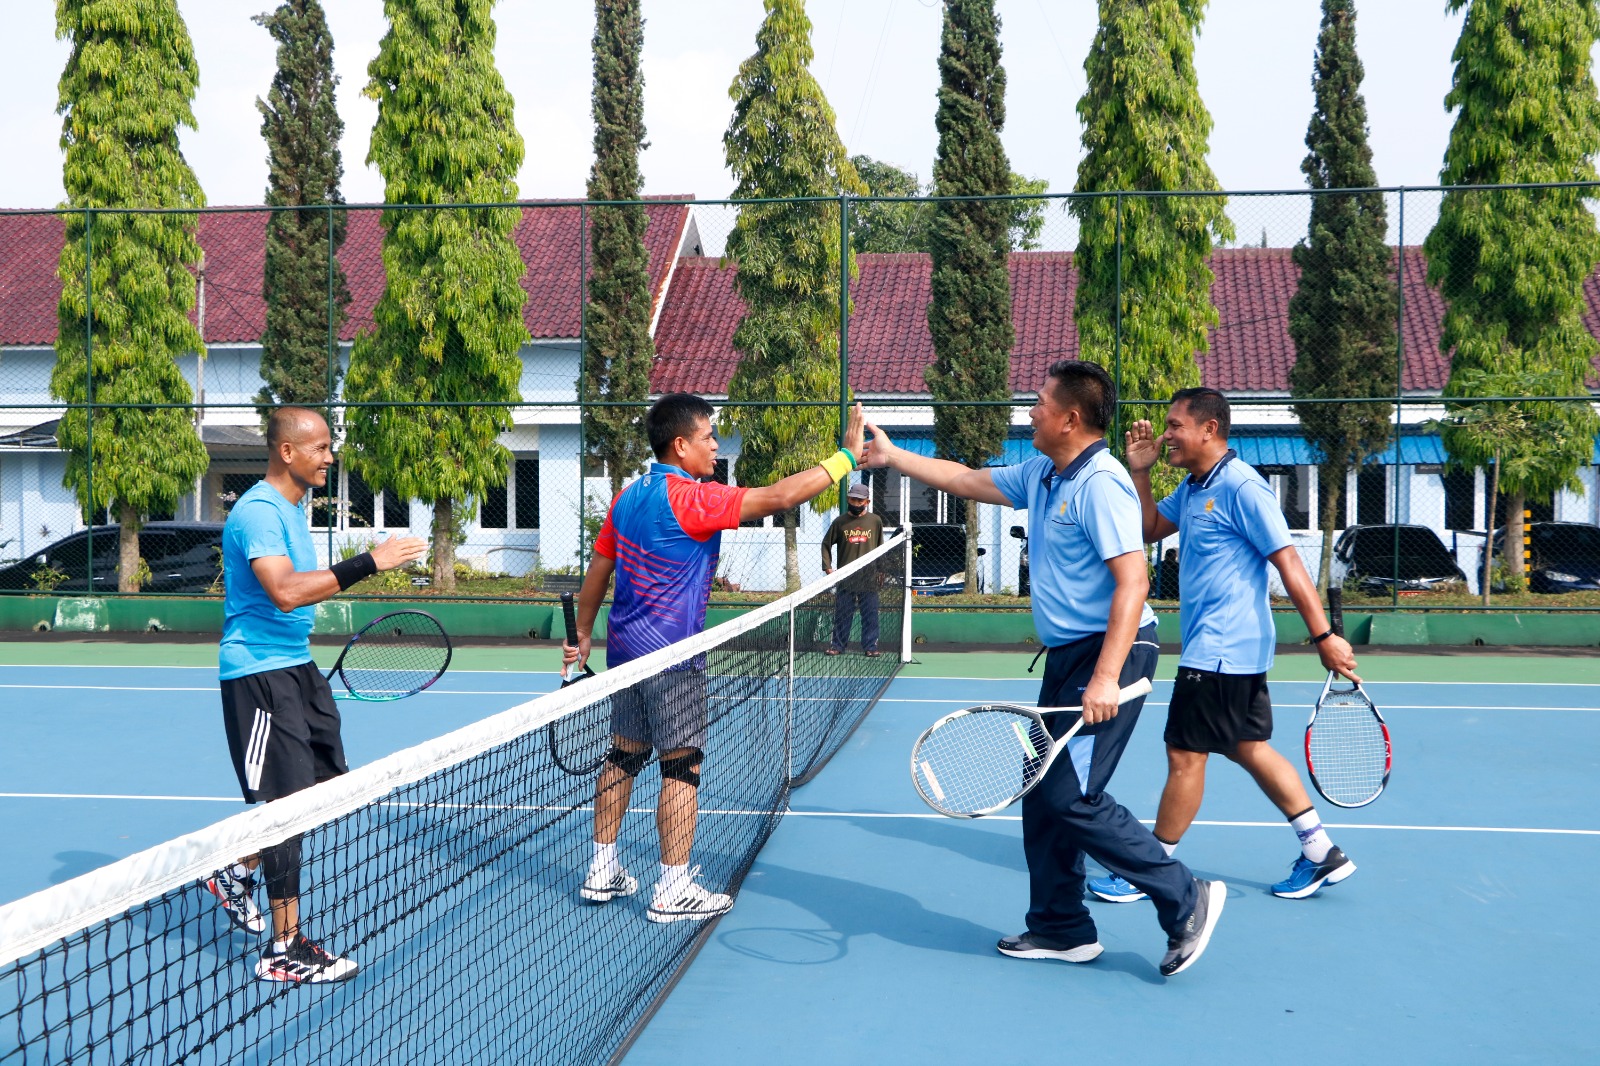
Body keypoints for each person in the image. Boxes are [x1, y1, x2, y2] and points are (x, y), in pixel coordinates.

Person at [863, 360, 1225, 978]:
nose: (1029, 412)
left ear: (1070, 418)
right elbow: (966, 478)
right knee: (1042, 794)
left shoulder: (1102, 484)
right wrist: (894, 457)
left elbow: (1133, 582)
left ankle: (1185, 896)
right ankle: (1062, 928)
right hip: (1067, 657)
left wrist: (1106, 677)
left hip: (1113, 653)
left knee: (1072, 796)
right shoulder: (1043, 473)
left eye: (1039, 402)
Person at [566, 393, 867, 922]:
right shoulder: (693, 498)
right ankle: (672, 888)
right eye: (708, 437)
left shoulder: (627, 498)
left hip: (625, 653)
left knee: (623, 756)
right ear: (681, 445)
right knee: (682, 766)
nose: (714, 445)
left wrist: (584, 633)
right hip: (674, 658)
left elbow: (597, 573)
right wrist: (845, 458)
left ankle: (601, 869)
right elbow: (779, 497)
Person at [1088, 387, 1362, 907]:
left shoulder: (1242, 487)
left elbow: (1288, 562)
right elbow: (1149, 528)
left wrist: (1324, 637)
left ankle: (1151, 869)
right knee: (1247, 747)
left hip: (1220, 649)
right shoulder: (1195, 486)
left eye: (1175, 426)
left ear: (1209, 429)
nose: (1166, 435)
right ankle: (1321, 850)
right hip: (1225, 650)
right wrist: (1140, 472)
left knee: (1184, 755)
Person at [206, 406, 426, 983]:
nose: (330, 457)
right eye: (321, 447)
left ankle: (236, 870)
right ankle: (284, 949)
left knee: (325, 786)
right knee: (285, 807)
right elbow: (284, 592)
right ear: (287, 452)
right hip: (258, 672)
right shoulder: (258, 512)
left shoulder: (292, 511)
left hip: (297, 666)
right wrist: (370, 562)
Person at [821, 481, 885, 656]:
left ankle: (870, 647)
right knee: (842, 615)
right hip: (846, 578)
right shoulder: (840, 522)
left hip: (869, 577)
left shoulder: (875, 521)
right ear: (848, 499)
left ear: (867, 502)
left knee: (870, 615)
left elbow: (880, 547)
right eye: (853, 500)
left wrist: (881, 570)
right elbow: (826, 544)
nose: (856, 503)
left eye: (860, 501)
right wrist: (828, 568)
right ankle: (837, 646)